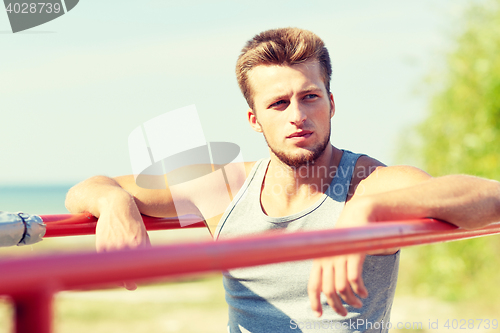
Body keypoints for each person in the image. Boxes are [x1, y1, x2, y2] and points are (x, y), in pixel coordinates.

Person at [65, 28, 500, 332]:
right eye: (278, 103)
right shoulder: (224, 187)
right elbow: (90, 187)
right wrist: (115, 204)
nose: (297, 115)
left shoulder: (370, 183)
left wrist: (366, 211)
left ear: (331, 104)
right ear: (254, 120)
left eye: (309, 97)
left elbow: (490, 196)